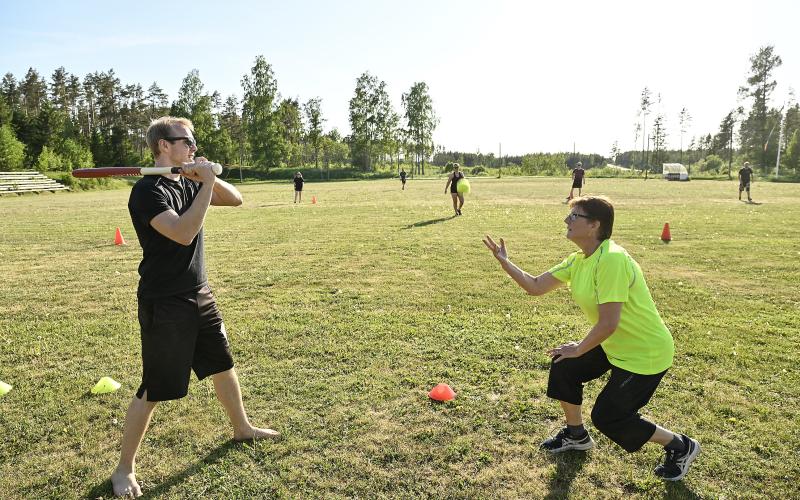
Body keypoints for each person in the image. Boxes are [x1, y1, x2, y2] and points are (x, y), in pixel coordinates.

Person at [114, 117, 280, 497]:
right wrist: (203, 184)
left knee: (222, 363)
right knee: (154, 388)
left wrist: (204, 178)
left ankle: (241, 428)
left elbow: (236, 198)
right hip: (165, 301)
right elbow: (183, 233)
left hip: (199, 292)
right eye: (185, 141)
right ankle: (124, 470)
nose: (192, 147)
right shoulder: (146, 192)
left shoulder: (186, 181)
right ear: (162, 147)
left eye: (192, 142)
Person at [483, 195, 700, 482]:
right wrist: (506, 263)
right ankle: (576, 436)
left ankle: (680, 445)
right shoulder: (579, 260)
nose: (566, 220)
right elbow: (536, 286)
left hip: (644, 353)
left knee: (609, 417)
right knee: (564, 365)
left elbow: (609, 323)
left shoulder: (611, 259)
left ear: (595, 225)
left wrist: (580, 348)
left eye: (575, 216)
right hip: (612, 344)